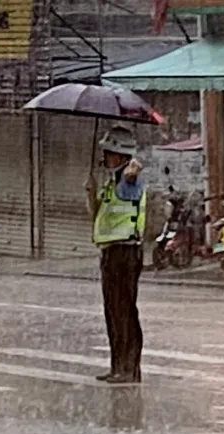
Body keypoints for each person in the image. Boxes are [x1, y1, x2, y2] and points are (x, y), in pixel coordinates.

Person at [86, 126, 146, 384]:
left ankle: (129, 368)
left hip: (126, 252)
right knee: (112, 311)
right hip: (111, 253)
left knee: (124, 311)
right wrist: (91, 194)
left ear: (121, 156)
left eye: (109, 153)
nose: (105, 157)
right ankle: (117, 365)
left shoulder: (129, 179)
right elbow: (99, 216)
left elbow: (130, 188)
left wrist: (131, 174)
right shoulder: (112, 183)